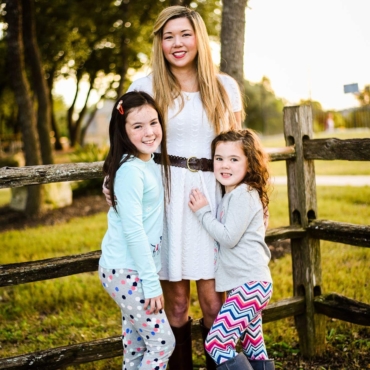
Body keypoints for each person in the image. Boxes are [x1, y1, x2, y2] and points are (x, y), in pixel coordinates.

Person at [103, 6, 243, 369]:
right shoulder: (145, 86)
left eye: (185, 34)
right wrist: (111, 178)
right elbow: (125, 140)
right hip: (165, 197)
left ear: (199, 37)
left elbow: (240, 149)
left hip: (213, 197)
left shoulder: (225, 87)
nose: (177, 43)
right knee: (176, 304)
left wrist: (248, 198)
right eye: (168, 36)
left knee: (215, 303)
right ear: (159, 43)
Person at [99, 91, 175, 370]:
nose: (149, 132)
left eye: (153, 123)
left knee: (137, 347)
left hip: (130, 269)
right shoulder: (132, 170)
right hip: (126, 270)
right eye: (138, 126)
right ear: (123, 130)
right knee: (162, 343)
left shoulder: (148, 161)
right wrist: (151, 283)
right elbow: (133, 232)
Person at [188, 129, 274, 370]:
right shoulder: (232, 194)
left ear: (250, 163)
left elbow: (228, 237)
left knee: (217, 343)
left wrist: (202, 212)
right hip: (249, 284)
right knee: (253, 345)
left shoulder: (243, 194)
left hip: (249, 285)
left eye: (234, 159)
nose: (225, 165)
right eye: (219, 158)